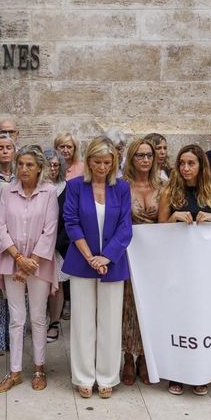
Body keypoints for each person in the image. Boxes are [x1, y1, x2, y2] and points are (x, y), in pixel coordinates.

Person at [63, 138, 133, 400]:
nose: (103, 167)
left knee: (110, 321)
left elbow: (126, 226)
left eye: (107, 162)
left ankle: (107, 377)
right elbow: (71, 222)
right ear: (89, 161)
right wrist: (90, 257)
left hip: (112, 263)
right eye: (98, 162)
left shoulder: (122, 187)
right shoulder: (74, 186)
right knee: (82, 320)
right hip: (82, 261)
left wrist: (107, 257)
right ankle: (83, 376)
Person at [157, 144, 211, 395]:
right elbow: (158, 229)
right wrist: (173, 218)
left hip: (206, 268)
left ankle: (200, 373)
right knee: (179, 318)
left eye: (191, 163)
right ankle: (176, 373)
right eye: (182, 163)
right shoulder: (169, 192)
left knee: (203, 319)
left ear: (201, 166)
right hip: (177, 266)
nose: (185, 168)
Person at [0, 146, 58, 394]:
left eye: (30, 165)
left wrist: (30, 263)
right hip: (13, 261)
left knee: (38, 317)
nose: (24, 169)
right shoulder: (8, 191)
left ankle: (39, 368)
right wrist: (19, 259)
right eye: (20, 164)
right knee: (16, 317)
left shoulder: (49, 192)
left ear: (39, 167)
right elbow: (0, 228)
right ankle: (15, 371)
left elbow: (50, 231)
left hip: (39, 262)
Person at [121, 137, 162, 386]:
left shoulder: (163, 185)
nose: (145, 160)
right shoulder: (121, 186)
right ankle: (128, 356)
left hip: (155, 255)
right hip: (128, 252)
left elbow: (166, 220)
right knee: (128, 305)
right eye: (140, 155)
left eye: (149, 155)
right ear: (131, 158)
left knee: (150, 304)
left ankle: (146, 357)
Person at [43, 148, 70, 344]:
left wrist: (54, 244)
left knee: (57, 285)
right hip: (37, 246)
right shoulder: (35, 186)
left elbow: (70, 219)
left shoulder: (67, 188)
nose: (52, 168)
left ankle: (54, 322)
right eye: (49, 164)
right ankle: (37, 322)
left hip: (59, 245)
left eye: (56, 165)